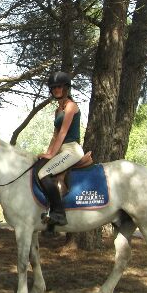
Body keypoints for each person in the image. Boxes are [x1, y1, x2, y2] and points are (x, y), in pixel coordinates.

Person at [37, 72, 84, 226]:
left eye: (59, 86)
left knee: (43, 173)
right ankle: (48, 208)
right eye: (53, 87)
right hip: (62, 150)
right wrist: (47, 153)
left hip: (72, 150)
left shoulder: (71, 106)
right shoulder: (58, 110)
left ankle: (59, 214)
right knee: (38, 167)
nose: (56, 89)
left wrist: (51, 155)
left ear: (66, 88)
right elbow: (55, 135)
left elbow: (63, 133)